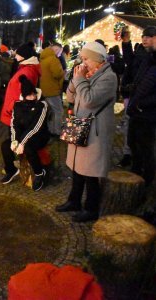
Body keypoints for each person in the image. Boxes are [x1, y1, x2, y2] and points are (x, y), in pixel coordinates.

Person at [55, 42, 117, 223]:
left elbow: (90, 100)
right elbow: (72, 98)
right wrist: (76, 81)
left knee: (90, 171)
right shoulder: (89, 74)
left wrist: (81, 80)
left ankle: (91, 208)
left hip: (95, 131)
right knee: (77, 167)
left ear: (97, 60)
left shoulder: (109, 78)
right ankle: (74, 200)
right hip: (80, 124)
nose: (83, 63)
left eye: (85, 59)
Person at [0, 43, 41, 181]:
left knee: (13, 140)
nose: (15, 55)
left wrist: (12, 106)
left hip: (14, 111)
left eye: (17, 53)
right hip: (13, 110)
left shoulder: (27, 71)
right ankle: (12, 167)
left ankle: (13, 169)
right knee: (12, 140)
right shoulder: (25, 67)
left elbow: (24, 92)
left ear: (23, 56)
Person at [4, 75, 50, 191]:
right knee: (5, 145)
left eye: (33, 94)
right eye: (28, 95)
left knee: (29, 148)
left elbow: (36, 127)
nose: (32, 97)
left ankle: (39, 173)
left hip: (39, 135)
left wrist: (22, 143)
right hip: (22, 134)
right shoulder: (17, 105)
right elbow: (14, 124)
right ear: (24, 96)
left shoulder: (41, 105)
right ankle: (11, 170)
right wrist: (15, 141)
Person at [126, 27, 156, 187]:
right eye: (143, 36)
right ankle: (136, 176)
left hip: (148, 114)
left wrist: (141, 104)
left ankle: (147, 182)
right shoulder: (147, 58)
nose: (145, 39)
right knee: (132, 142)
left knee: (146, 149)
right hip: (137, 111)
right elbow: (133, 67)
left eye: (149, 36)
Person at [39, 43, 65, 136]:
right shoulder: (53, 59)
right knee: (58, 111)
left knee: (50, 111)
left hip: (45, 89)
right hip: (53, 89)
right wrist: (63, 72)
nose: (60, 54)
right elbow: (57, 74)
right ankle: (57, 131)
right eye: (60, 52)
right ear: (57, 50)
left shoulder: (43, 58)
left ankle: (50, 129)